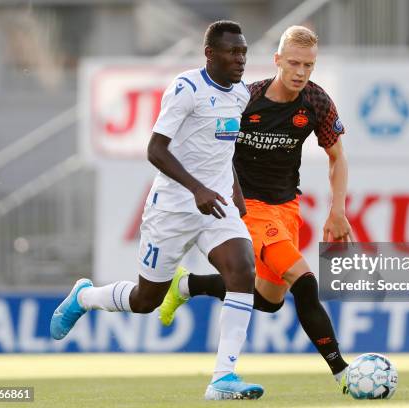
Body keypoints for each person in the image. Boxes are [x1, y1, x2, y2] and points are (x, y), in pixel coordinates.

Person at [50, 20, 264, 401]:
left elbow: (220, 149)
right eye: (233, 52)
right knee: (145, 301)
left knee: (243, 269)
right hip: (173, 209)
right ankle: (85, 296)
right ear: (210, 54)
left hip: (215, 206)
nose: (241, 59)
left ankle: (223, 378)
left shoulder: (241, 95)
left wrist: (235, 190)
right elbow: (155, 149)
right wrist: (196, 188)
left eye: (244, 51)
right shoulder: (186, 89)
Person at [160, 25, 354, 394]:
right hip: (247, 207)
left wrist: (338, 210)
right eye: (294, 63)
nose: (300, 72)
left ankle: (185, 285)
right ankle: (344, 373)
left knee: (268, 300)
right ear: (277, 60)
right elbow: (214, 148)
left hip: (286, 207)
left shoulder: (317, 102)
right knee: (307, 283)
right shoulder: (245, 98)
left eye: (309, 66)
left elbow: (337, 156)